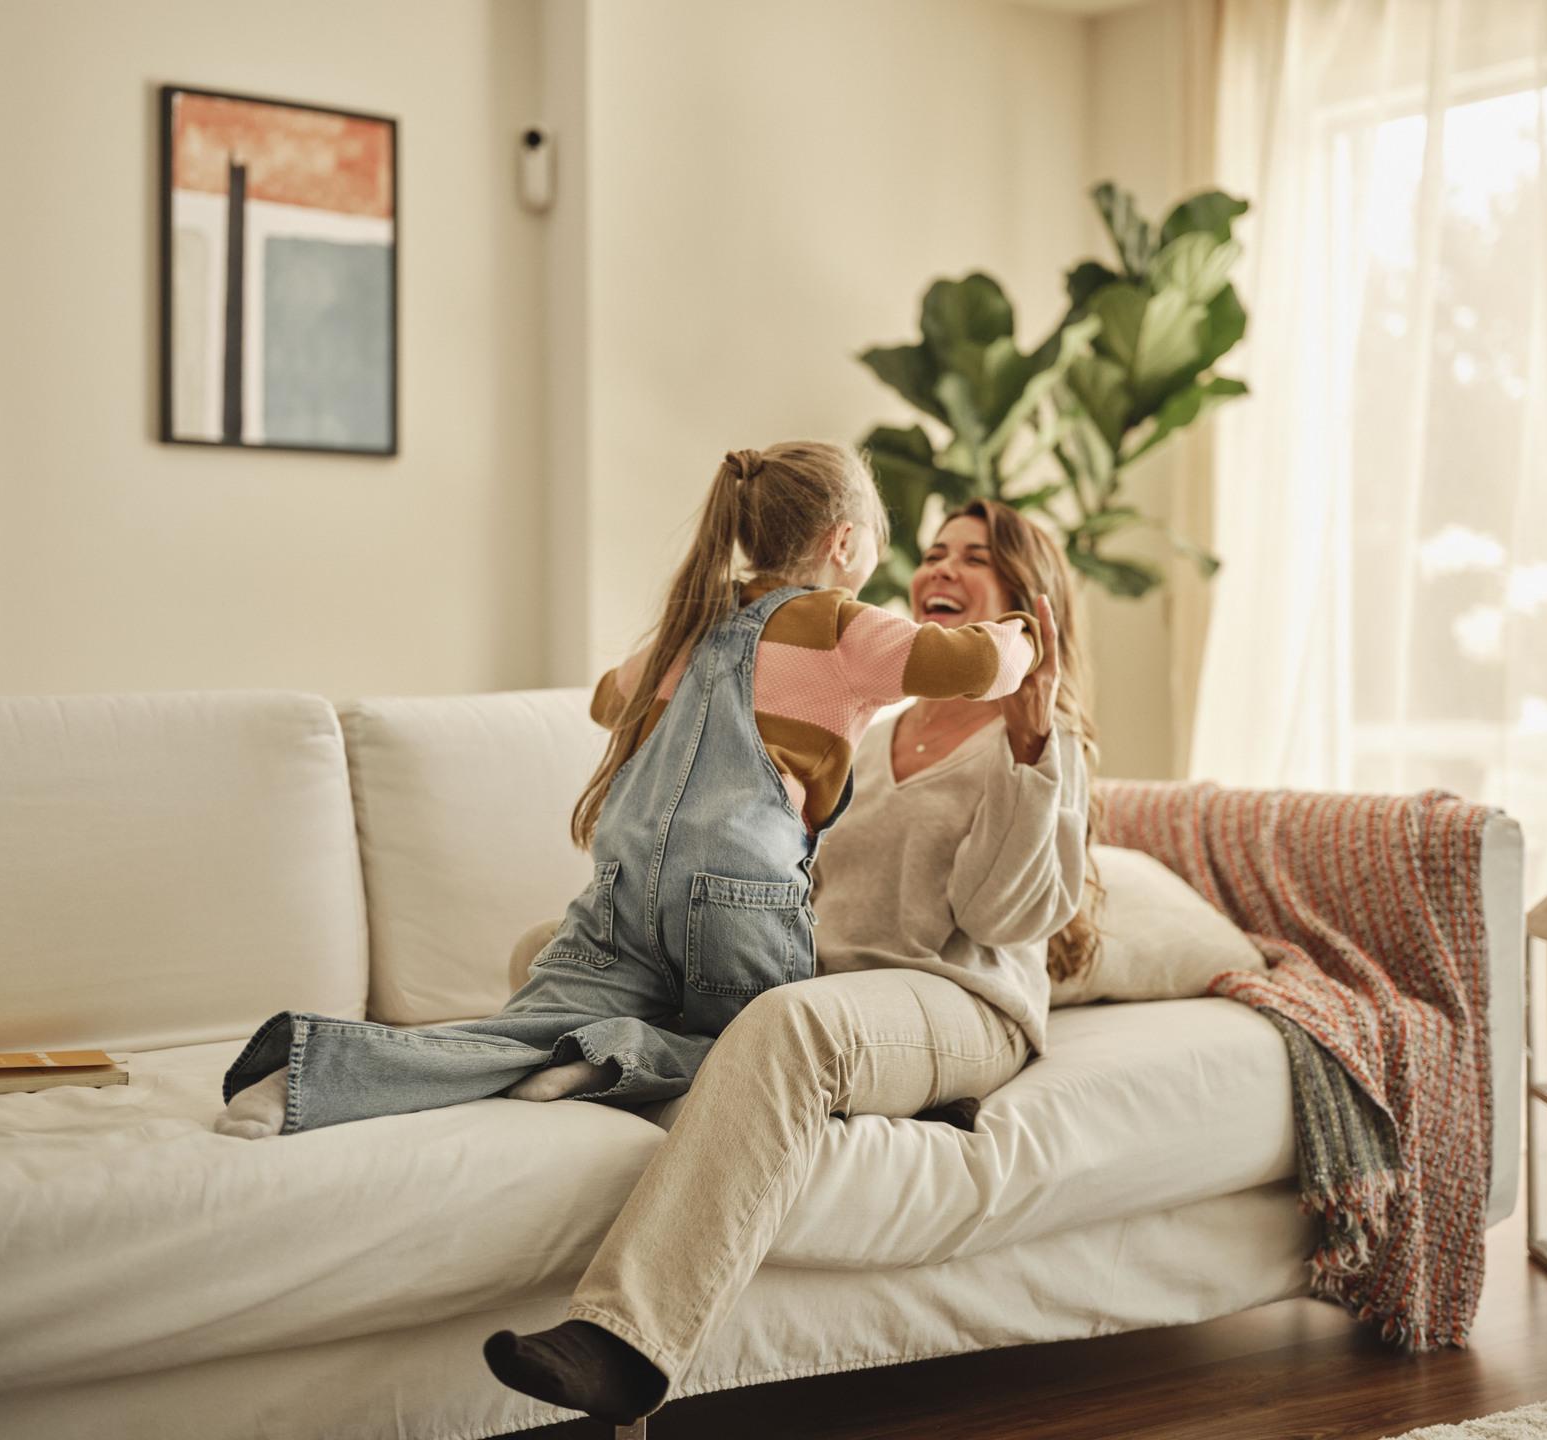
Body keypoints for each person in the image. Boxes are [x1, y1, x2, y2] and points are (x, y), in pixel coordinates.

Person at [213, 447, 1043, 1139]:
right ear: (845, 540)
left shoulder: (691, 629)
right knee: (767, 1054)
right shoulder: (839, 626)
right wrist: (1025, 634)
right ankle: (620, 1058)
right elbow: (972, 665)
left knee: (514, 1031)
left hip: (622, 888)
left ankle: (302, 1080)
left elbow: (609, 699)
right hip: (736, 892)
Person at [484, 498, 1101, 1426]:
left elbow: (1000, 914)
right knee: (553, 948)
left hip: (954, 997)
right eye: (932, 551)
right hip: (824, 981)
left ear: (1027, 604)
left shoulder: (1045, 744)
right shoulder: (872, 720)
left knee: (790, 1027)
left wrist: (1026, 745)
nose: (939, 569)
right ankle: (768, 1075)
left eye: (974, 558)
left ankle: (628, 1344)